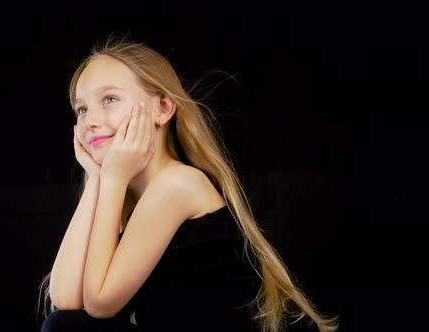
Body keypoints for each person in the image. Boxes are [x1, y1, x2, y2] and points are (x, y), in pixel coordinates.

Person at [37, 35, 338, 332]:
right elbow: (64, 297)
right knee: (64, 324)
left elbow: (99, 303)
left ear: (163, 108)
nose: (90, 120)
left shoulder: (178, 184)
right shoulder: (129, 196)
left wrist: (113, 178)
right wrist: (97, 179)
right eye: (82, 109)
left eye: (110, 99)